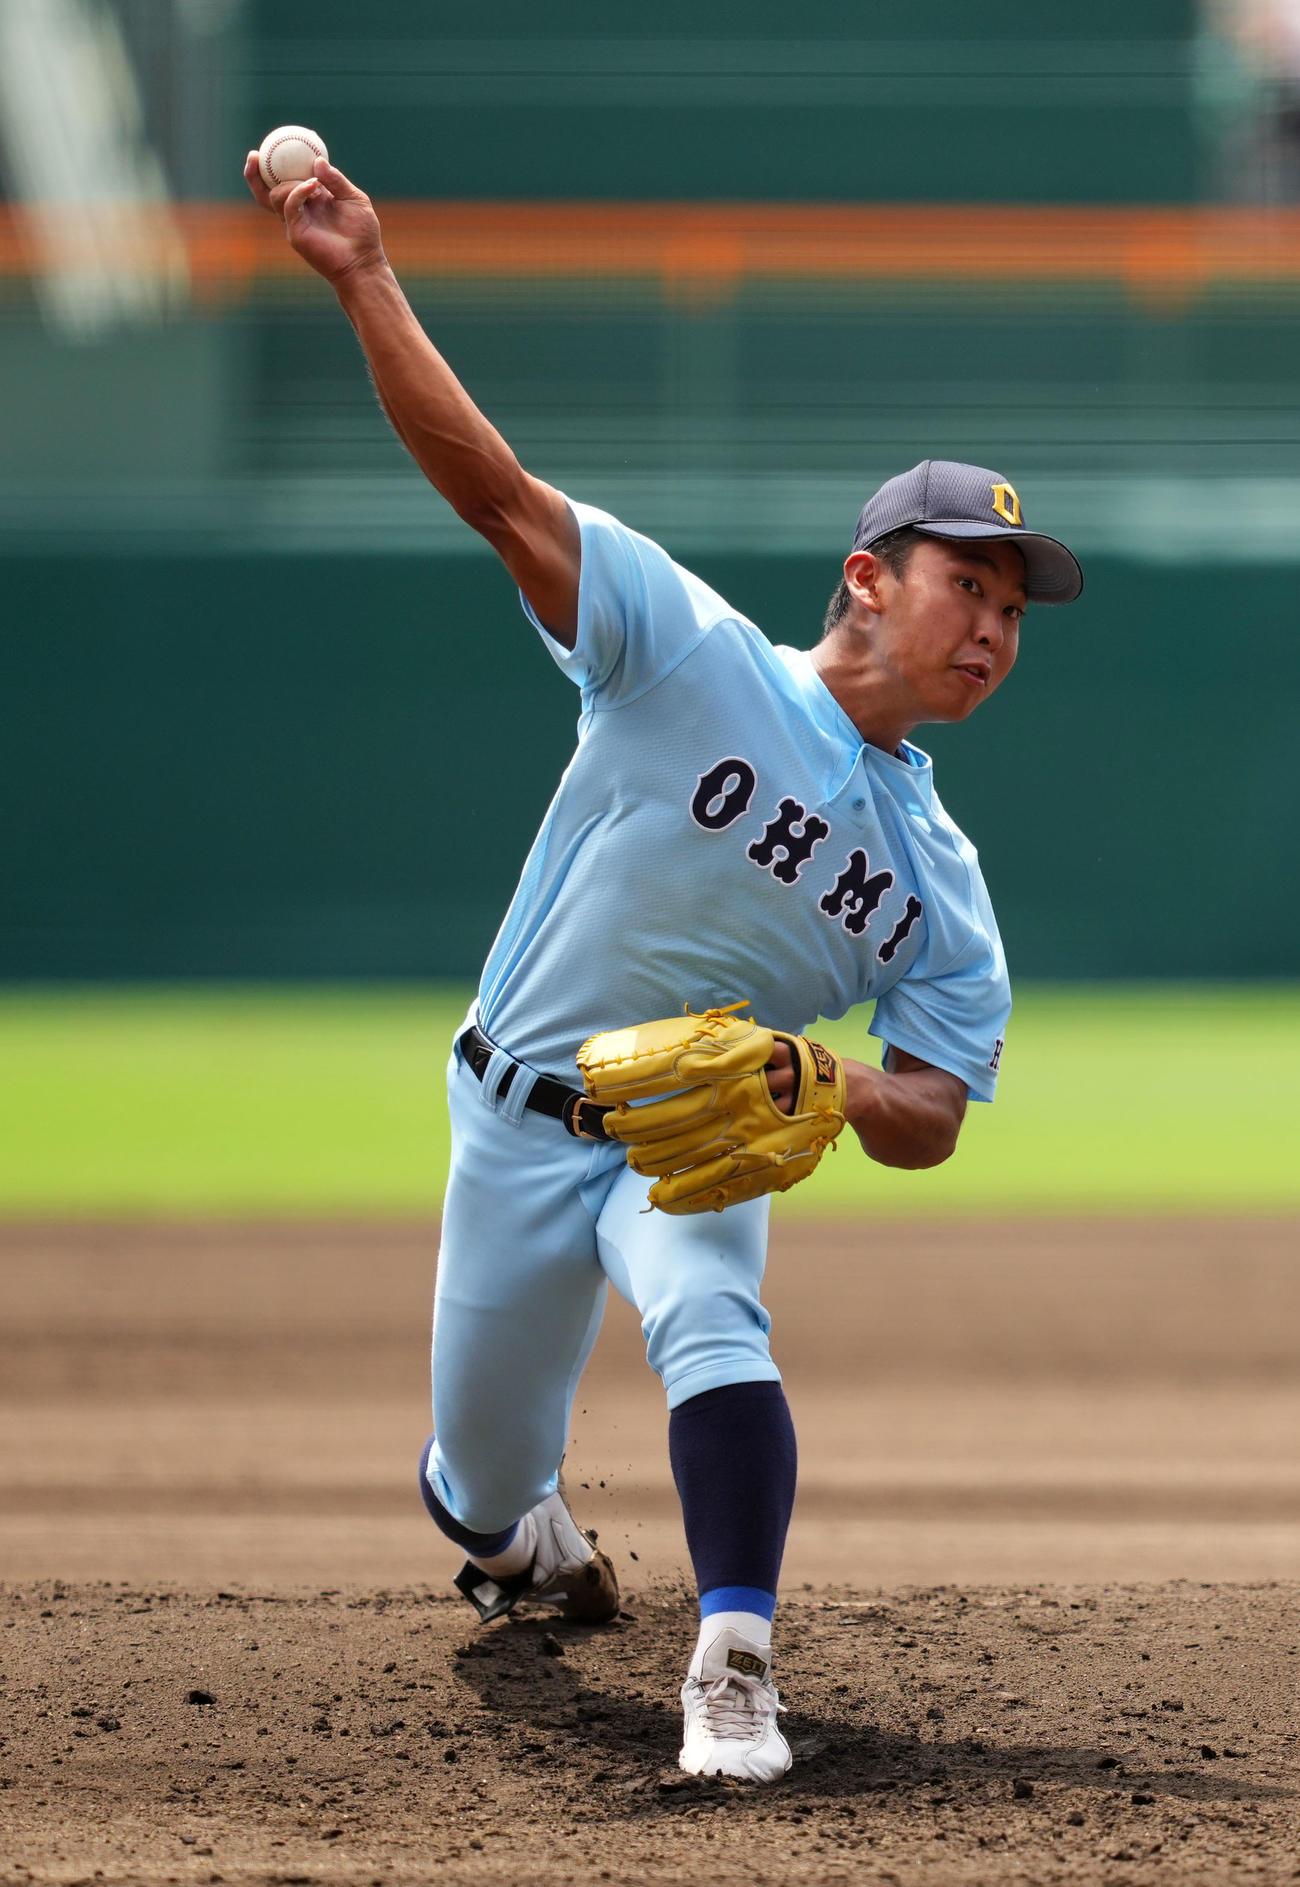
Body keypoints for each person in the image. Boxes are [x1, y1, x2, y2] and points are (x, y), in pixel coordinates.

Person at [244, 151, 1084, 1784]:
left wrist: (831, 1086)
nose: (992, 627)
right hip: (510, 1115)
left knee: (714, 1321)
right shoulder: (684, 652)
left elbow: (933, 1109)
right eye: (965, 586)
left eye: (1014, 610)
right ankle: (523, 1544)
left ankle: (735, 1664)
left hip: (688, 1134)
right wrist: (362, 276)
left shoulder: (940, 882)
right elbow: (491, 488)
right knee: (476, 1479)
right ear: (867, 578)